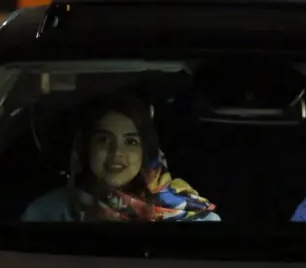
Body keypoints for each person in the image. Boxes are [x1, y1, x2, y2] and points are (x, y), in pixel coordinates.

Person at [22, 93, 220, 222]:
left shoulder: (193, 215)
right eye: (104, 140)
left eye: (131, 142)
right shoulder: (48, 213)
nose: (117, 152)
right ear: (86, 147)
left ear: (145, 151)